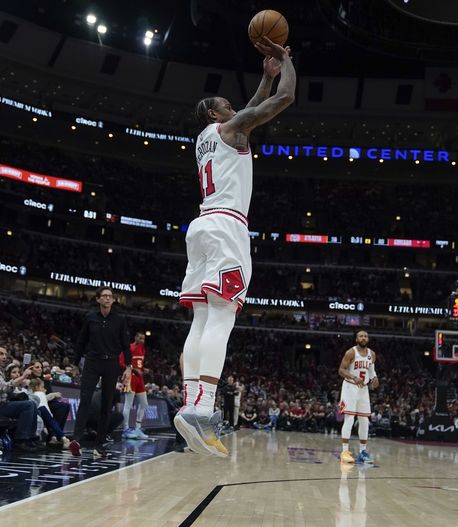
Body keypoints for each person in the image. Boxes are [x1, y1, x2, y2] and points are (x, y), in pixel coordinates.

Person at [175, 36, 296, 458]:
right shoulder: (231, 129)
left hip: (202, 225)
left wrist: (264, 77)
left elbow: (249, 108)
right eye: (227, 104)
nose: (234, 106)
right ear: (215, 113)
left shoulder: (207, 138)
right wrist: (285, 63)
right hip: (228, 226)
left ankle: (191, 404)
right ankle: (204, 408)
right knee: (223, 318)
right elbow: (284, 99)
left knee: (202, 320)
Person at [70, 287, 131, 458]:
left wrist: (128, 367)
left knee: (106, 405)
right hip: (92, 361)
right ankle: (76, 440)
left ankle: (100, 444)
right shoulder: (90, 317)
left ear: (113, 300)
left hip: (111, 363)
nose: (107, 298)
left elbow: (126, 345)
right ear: (98, 299)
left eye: (110, 296)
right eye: (104, 296)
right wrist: (75, 363)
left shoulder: (119, 320)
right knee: (85, 400)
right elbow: (81, 341)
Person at [0, 346, 43, 452]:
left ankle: (32, 438)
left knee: (32, 405)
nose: (4, 357)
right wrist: (23, 377)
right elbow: (3, 388)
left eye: (5, 354)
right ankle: (21, 440)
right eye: (0, 354)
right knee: (29, 405)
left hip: (0, 403)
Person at [338, 330, 379, 465]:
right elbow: (341, 370)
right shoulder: (351, 352)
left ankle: (363, 452)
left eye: (366, 336)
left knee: (364, 421)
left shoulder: (372, 354)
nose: (363, 338)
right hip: (350, 387)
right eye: (361, 336)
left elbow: (371, 370)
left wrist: (374, 378)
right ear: (356, 339)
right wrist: (354, 377)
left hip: (363, 389)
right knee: (349, 419)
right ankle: (345, 452)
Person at [121, 332, 150, 440]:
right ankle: (125, 429)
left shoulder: (142, 349)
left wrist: (143, 369)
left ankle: (138, 428)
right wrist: (134, 369)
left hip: (140, 379)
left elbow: (139, 365)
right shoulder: (129, 348)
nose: (142, 340)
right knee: (128, 404)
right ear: (136, 337)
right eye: (140, 338)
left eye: (144, 338)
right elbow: (121, 362)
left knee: (144, 403)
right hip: (131, 377)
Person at [29, 378, 70, 450]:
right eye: (42, 387)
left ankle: (52, 438)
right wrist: (51, 416)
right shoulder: (41, 393)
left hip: (36, 411)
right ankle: (64, 439)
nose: (44, 389)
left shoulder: (33, 394)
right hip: (43, 409)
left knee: (48, 425)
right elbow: (45, 404)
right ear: (37, 387)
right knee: (53, 423)